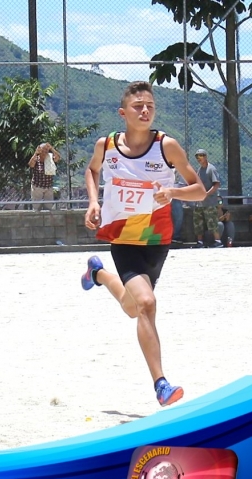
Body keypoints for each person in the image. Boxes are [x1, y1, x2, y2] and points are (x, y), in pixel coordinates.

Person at [81, 81, 206, 407]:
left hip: (156, 238)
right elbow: (92, 171)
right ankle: (161, 384)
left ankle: (98, 275)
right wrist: (93, 203)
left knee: (133, 307)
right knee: (147, 303)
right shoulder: (106, 145)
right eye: (138, 106)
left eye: (150, 105)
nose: (145, 111)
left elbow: (199, 190)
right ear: (124, 113)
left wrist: (173, 192)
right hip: (122, 237)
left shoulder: (167, 146)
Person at [192, 149, 222, 248]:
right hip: (199, 202)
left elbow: (216, 184)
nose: (199, 159)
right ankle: (200, 243)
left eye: (201, 156)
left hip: (209, 203)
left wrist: (206, 194)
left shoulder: (211, 169)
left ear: (205, 156)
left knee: (212, 222)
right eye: (197, 157)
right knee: (198, 223)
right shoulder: (199, 170)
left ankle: (218, 241)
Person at [28, 142, 61, 211]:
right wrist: (35, 153)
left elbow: (58, 158)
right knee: (36, 208)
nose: (45, 152)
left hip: (48, 186)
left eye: (46, 150)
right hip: (37, 186)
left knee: (49, 208)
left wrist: (52, 148)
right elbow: (31, 164)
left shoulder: (50, 158)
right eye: (43, 150)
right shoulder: (36, 159)